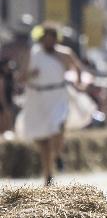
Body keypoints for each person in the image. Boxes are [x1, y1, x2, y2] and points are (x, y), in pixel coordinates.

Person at [17, 24, 84, 185]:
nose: (49, 41)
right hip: (37, 97)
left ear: (56, 39)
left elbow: (78, 67)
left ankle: (58, 154)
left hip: (58, 95)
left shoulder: (64, 53)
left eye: (52, 38)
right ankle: (48, 175)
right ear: (41, 39)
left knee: (58, 125)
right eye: (46, 38)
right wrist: (31, 74)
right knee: (43, 140)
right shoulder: (32, 54)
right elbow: (21, 78)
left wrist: (79, 82)